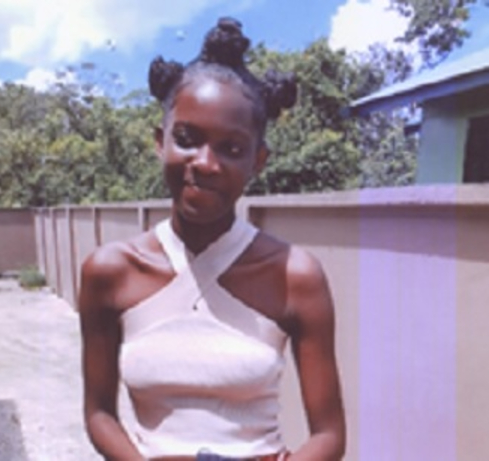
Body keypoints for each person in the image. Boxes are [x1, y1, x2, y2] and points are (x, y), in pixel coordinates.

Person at [79, 17, 346, 461]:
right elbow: (99, 414)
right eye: (187, 139)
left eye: (232, 149)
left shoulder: (296, 276)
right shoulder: (109, 272)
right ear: (160, 142)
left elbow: (329, 436)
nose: (205, 163)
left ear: (258, 161)